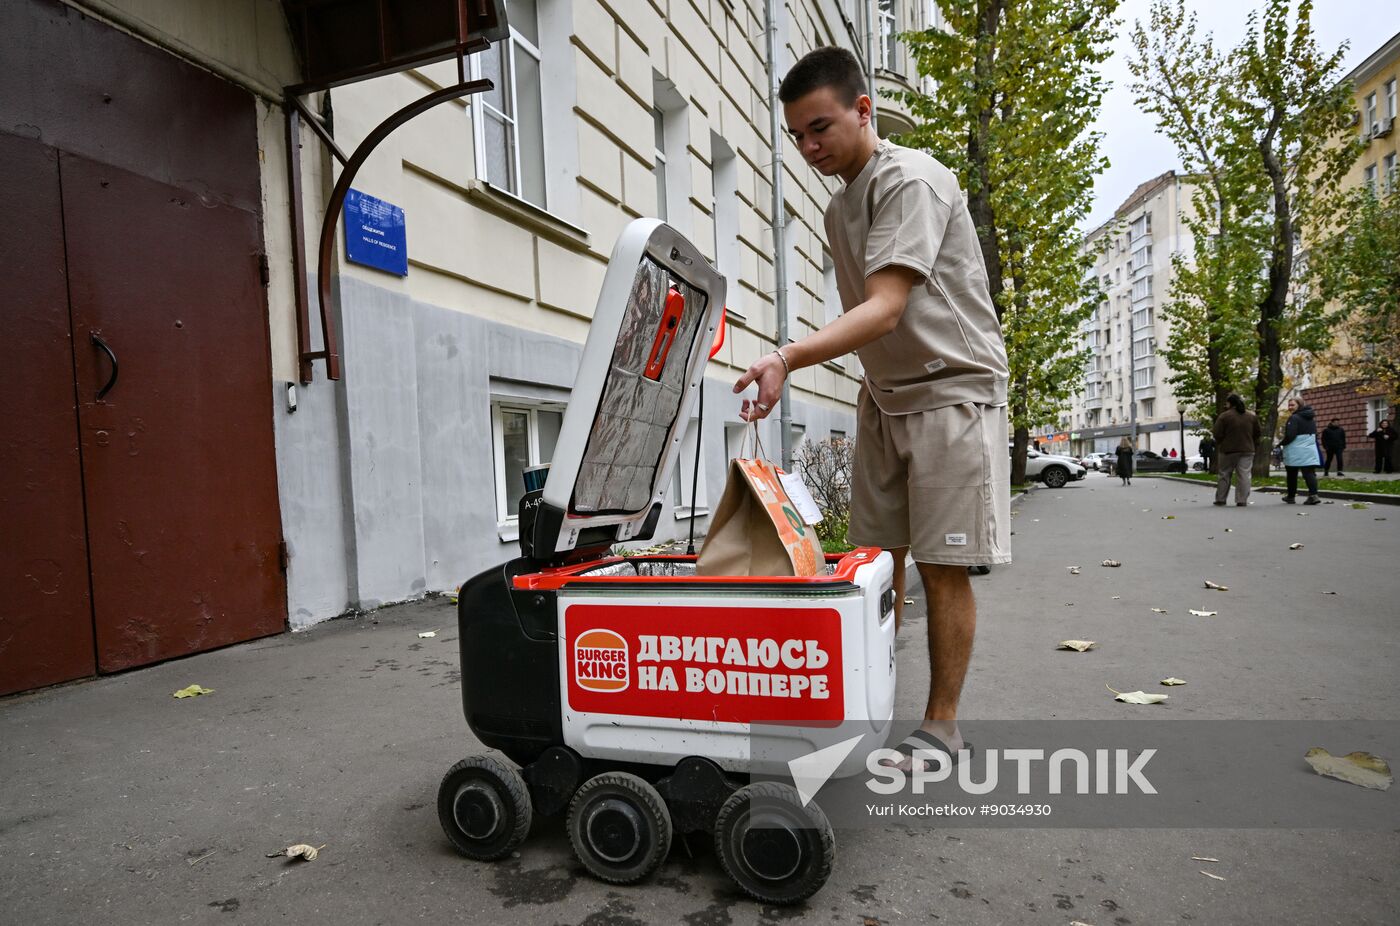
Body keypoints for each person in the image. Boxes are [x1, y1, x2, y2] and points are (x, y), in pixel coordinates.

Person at [733, 47, 1009, 768]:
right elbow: (870, 322)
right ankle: (865, 708)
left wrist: (787, 357)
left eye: (819, 127)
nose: (808, 147)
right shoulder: (838, 209)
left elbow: (885, 308)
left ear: (863, 110)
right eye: (796, 135)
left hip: (952, 393)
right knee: (877, 565)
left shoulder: (910, 180)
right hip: (884, 398)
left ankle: (942, 728)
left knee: (943, 566)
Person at [1213, 393, 1260, 507]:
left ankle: (1221, 499)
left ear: (1230, 403)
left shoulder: (1224, 416)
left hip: (1228, 450)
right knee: (1244, 475)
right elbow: (1257, 433)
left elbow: (1217, 433)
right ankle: (1241, 500)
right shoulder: (1251, 416)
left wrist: (1221, 442)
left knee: (1224, 474)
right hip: (1247, 449)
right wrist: (1252, 443)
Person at [1280, 398, 1321, 505]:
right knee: (1309, 473)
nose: (1290, 407)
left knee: (1291, 473)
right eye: (1289, 405)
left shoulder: (1294, 418)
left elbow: (1290, 435)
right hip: (1309, 449)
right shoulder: (1310, 418)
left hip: (1295, 450)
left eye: (1292, 405)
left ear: (1300, 405)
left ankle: (1291, 496)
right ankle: (1313, 495)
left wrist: (1281, 443)